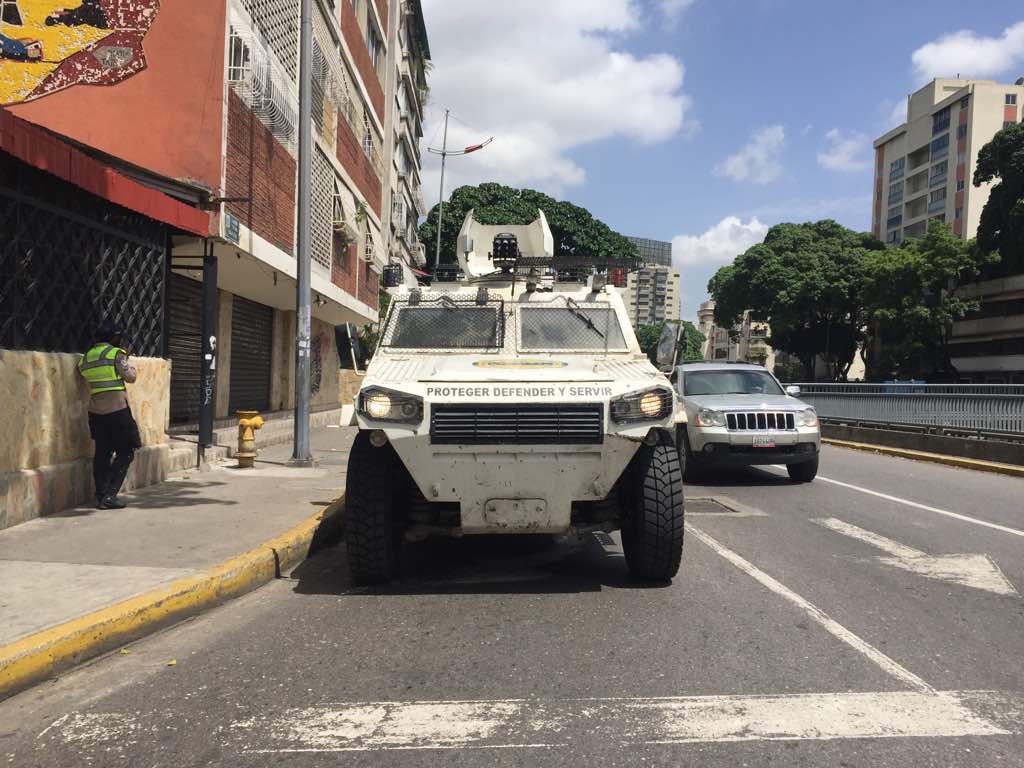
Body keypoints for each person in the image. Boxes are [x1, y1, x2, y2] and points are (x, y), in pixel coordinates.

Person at [78, 324, 141, 509]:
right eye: (119, 338)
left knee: (102, 453)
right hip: (117, 410)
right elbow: (130, 376)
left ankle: (100, 494)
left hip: (96, 412)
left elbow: (82, 373)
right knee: (127, 450)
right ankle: (110, 494)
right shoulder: (116, 354)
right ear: (114, 338)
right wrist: (133, 369)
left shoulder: (87, 357)